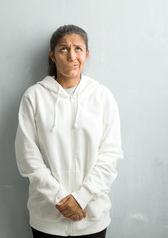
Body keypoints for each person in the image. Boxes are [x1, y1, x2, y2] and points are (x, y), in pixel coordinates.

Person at [15, 25, 123, 238]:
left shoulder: (102, 97)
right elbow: (28, 158)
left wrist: (82, 198)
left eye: (78, 49)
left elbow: (110, 155)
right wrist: (61, 199)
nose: (72, 55)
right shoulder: (34, 97)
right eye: (63, 49)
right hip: (47, 217)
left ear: (87, 54)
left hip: (91, 216)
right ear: (52, 55)